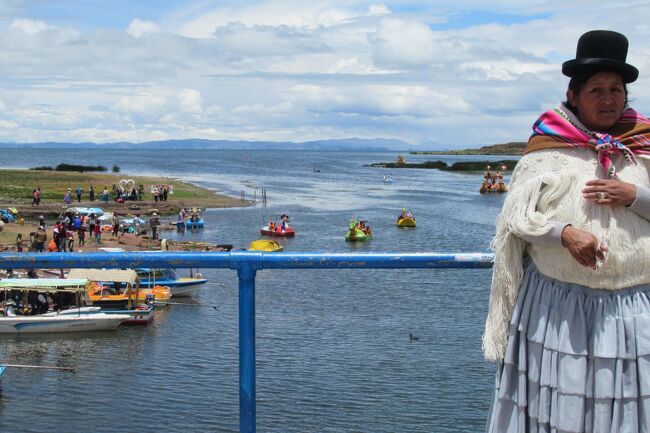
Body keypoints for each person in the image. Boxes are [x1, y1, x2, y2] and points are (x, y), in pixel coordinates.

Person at [484, 31, 650, 432]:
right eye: (596, 90)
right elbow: (518, 220)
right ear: (573, 95)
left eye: (616, 89)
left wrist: (634, 196)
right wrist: (565, 233)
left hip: (635, 311)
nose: (609, 99)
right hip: (561, 311)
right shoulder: (548, 149)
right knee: (561, 412)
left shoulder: (642, 146)